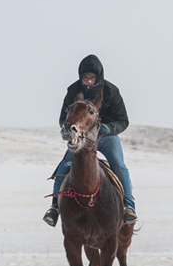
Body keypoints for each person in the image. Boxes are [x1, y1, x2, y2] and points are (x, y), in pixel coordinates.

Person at [42, 54, 137, 227]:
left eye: (92, 78)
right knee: (64, 166)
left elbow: (123, 121)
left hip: (105, 136)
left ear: (98, 77)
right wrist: (69, 132)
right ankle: (54, 207)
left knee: (119, 165)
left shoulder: (111, 91)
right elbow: (64, 117)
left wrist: (108, 129)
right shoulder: (73, 91)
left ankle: (129, 207)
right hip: (82, 138)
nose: (88, 82)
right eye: (85, 78)